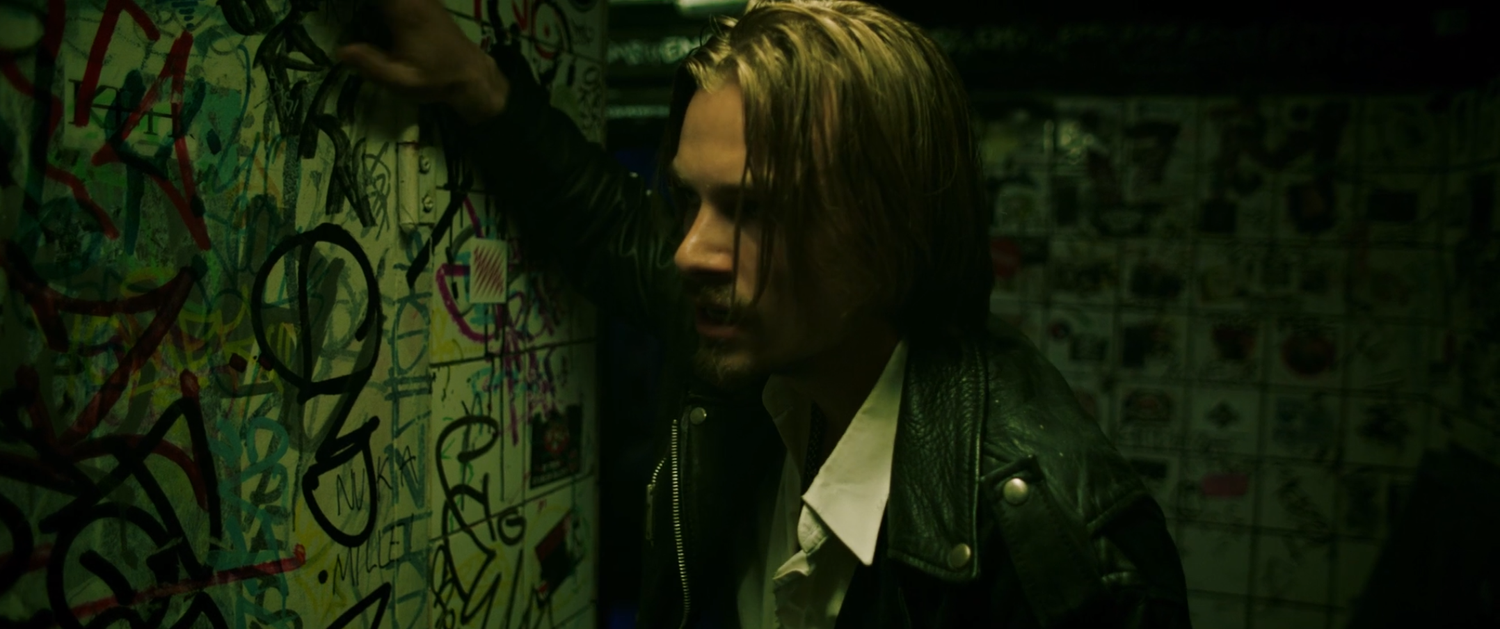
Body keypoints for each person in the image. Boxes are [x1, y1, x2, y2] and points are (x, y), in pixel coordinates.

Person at [340, 0, 1192, 627]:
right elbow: (605, 224)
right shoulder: (761, 343)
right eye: (691, 201)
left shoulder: (1058, 551)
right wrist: (477, 84)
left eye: (754, 211)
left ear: (891, 227)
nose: (691, 251)